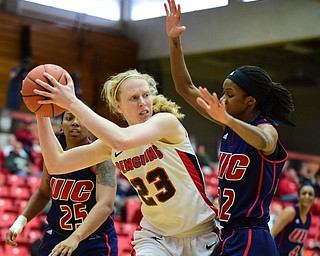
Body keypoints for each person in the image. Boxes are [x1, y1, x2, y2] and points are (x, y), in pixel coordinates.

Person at [32, 68, 220, 256]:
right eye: (133, 98)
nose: (143, 103)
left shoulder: (166, 122)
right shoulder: (111, 144)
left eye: (146, 95)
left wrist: (72, 102)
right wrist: (41, 112)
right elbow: (56, 164)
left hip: (201, 233)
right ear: (118, 106)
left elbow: (120, 139)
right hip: (156, 238)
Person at [164, 0, 295, 255]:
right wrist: (174, 42)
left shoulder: (265, 128)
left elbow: (265, 141)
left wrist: (227, 120)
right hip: (230, 233)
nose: (222, 100)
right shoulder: (230, 123)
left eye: (229, 94)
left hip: (251, 236)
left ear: (250, 101)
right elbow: (185, 88)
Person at [6, 110, 118, 256]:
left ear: (90, 125)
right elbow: (43, 193)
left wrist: (76, 237)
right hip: (58, 237)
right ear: (61, 125)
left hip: (94, 240)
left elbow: (105, 205)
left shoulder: (102, 158)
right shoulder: (52, 157)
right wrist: (20, 221)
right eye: (69, 118)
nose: (75, 123)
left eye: (81, 119)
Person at [271, 182, 316, 256]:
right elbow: (271, 234)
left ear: (314, 199)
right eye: (304, 193)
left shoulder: (309, 217)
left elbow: (300, 244)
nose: (307, 196)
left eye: (310, 194)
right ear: (298, 196)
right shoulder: (291, 212)